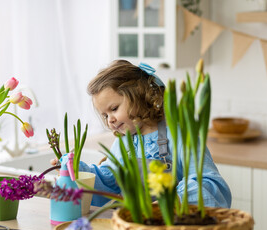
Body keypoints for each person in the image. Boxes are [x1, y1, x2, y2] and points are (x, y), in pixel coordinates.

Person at [52, 60, 232, 208]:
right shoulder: (123, 143)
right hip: (134, 228)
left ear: (138, 95)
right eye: (105, 115)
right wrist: (78, 171)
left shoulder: (179, 135)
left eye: (114, 109)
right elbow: (109, 183)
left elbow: (209, 184)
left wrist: (173, 200)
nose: (110, 120)